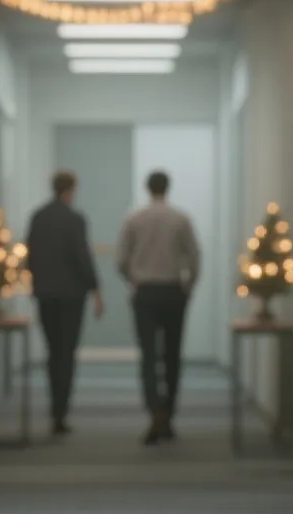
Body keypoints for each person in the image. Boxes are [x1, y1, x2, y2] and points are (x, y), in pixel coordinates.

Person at [117, 170, 201, 444]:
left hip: (145, 291)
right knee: (173, 354)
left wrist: (133, 279)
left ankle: (154, 412)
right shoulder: (181, 218)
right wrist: (189, 285)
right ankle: (169, 413)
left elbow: (121, 259)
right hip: (173, 290)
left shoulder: (134, 219)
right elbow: (194, 256)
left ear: (147, 188)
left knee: (149, 355)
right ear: (168, 188)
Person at [23, 171, 103, 436]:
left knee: (52, 351)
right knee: (66, 353)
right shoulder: (75, 219)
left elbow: (30, 257)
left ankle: (54, 407)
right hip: (71, 297)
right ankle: (60, 411)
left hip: (45, 295)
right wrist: (95, 290)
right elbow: (82, 257)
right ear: (70, 189)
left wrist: (36, 284)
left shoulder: (38, 217)